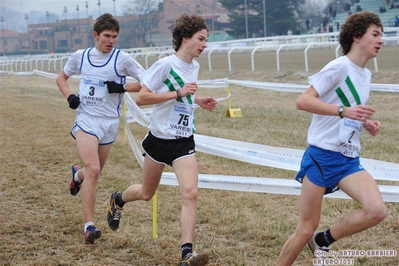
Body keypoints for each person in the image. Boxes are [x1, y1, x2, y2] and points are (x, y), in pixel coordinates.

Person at [276, 11, 386, 265]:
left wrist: (364, 122)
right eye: (376, 34)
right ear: (357, 37)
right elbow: (303, 101)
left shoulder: (365, 74)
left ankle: (323, 240)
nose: (381, 40)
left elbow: (347, 108)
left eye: (382, 35)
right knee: (304, 230)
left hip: (348, 159)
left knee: (376, 211)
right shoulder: (339, 66)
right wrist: (343, 111)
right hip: (321, 157)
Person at [106, 14, 217, 266]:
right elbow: (143, 98)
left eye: (206, 40)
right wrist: (178, 92)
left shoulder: (195, 67)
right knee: (146, 193)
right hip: (158, 141)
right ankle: (118, 199)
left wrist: (197, 100)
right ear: (186, 39)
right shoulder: (165, 64)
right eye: (201, 39)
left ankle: (186, 253)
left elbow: (183, 97)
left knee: (191, 193)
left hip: (183, 141)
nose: (205, 44)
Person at [56, 13, 144, 244]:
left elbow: (148, 81)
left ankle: (77, 175)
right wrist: (69, 96)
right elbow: (61, 78)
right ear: (96, 35)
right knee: (93, 170)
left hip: (109, 124)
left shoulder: (122, 59)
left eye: (115, 36)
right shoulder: (81, 56)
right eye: (107, 36)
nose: (111, 40)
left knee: (92, 172)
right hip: (86, 120)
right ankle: (89, 227)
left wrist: (123, 86)